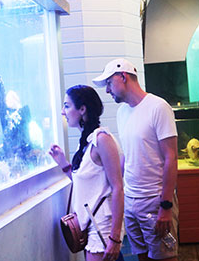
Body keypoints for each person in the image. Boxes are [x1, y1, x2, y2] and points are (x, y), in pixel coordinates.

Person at [92, 58, 178, 261]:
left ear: (123, 77)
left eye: (109, 84)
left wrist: (166, 207)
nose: (107, 91)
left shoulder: (158, 107)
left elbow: (171, 158)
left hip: (155, 202)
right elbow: (129, 157)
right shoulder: (122, 113)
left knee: (165, 257)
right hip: (131, 202)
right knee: (142, 257)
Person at [49, 85, 124, 261]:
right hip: (90, 225)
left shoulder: (102, 139)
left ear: (82, 109)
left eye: (67, 106)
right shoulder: (86, 142)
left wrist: (115, 237)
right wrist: (64, 164)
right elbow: (86, 185)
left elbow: (118, 188)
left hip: (102, 228)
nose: (63, 112)